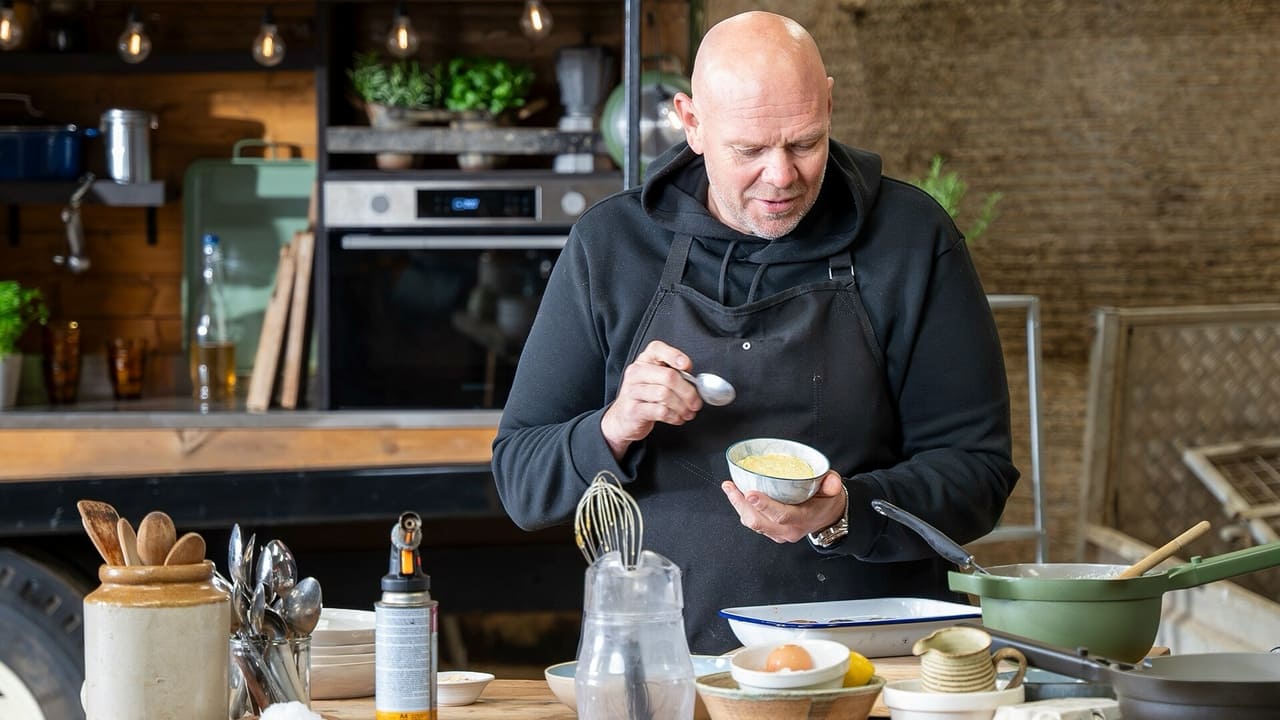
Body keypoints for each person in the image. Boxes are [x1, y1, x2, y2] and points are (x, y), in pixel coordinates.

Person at [491, 10, 1019, 654]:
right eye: (749, 150)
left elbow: (978, 472)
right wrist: (614, 426)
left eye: (805, 142)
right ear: (691, 123)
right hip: (667, 661)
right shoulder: (611, 246)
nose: (782, 176)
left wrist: (844, 512)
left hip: (878, 659)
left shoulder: (911, 240)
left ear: (829, 101)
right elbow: (520, 480)